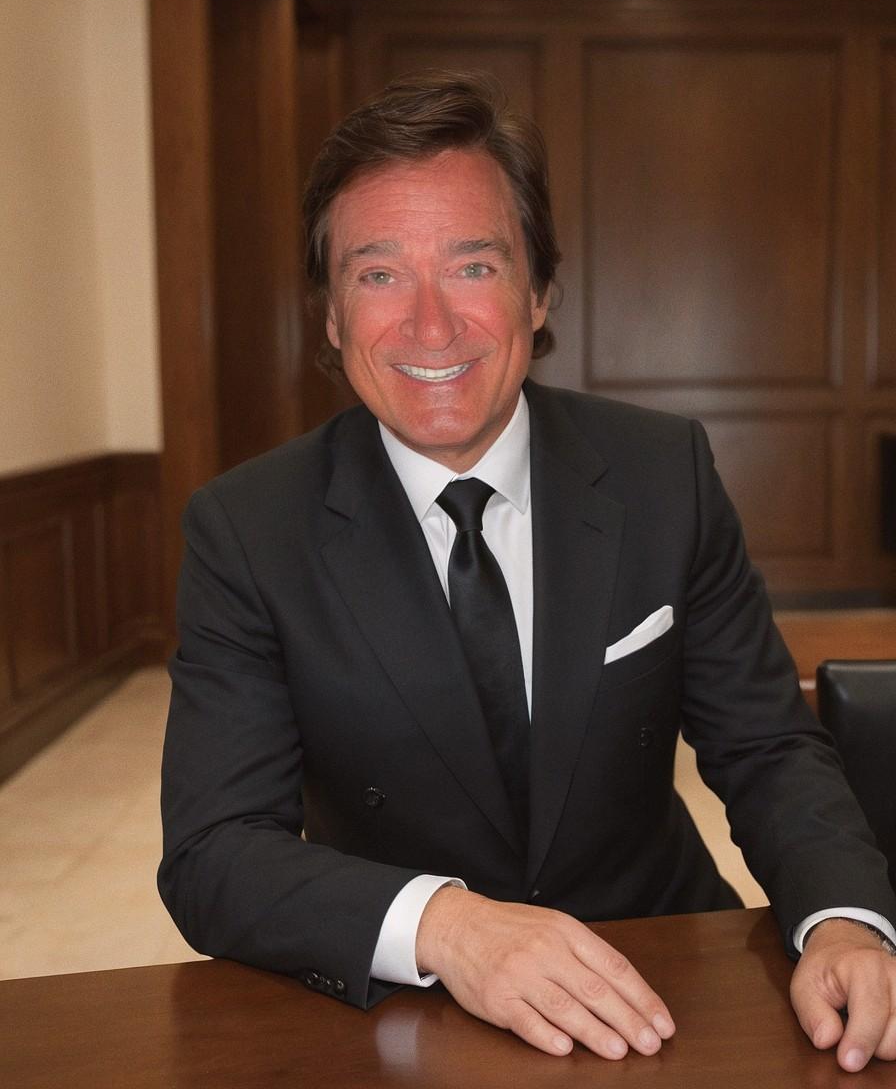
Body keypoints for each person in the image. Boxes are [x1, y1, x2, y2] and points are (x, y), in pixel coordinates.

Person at [159, 70, 896, 1072]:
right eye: (377, 275)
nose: (429, 325)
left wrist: (843, 920)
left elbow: (765, 745)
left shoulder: (660, 472)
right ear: (328, 317)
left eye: (471, 268)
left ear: (539, 291)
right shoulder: (245, 528)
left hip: (661, 961)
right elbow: (214, 855)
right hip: (404, 1001)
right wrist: (450, 928)